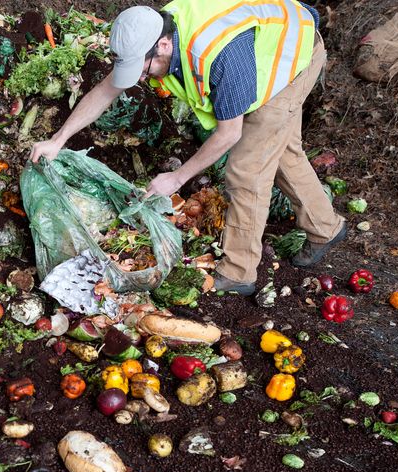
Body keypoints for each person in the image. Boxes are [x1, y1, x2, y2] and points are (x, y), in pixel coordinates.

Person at [30, 1, 346, 295]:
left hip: (290, 56)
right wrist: (58, 140)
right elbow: (105, 91)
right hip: (262, 47)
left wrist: (177, 178)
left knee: (246, 170)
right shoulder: (152, 35)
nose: (140, 78)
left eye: (143, 69)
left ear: (164, 46)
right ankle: (324, 227)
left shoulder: (220, 57)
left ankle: (239, 271)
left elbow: (229, 134)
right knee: (279, 152)